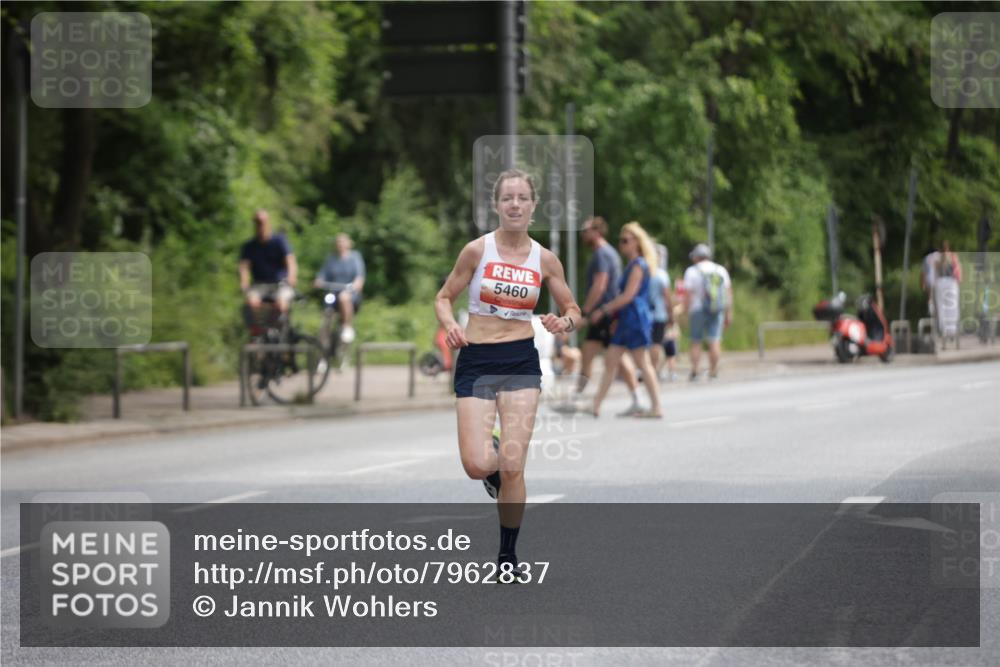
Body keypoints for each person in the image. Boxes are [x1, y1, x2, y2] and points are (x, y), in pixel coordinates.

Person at [435, 169, 581, 580]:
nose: (514, 204)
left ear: (533, 206)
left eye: (522, 198)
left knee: (514, 466)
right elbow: (444, 297)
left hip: (520, 360)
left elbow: (574, 310)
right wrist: (450, 324)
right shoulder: (476, 252)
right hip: (477, 359)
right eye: (507, 198)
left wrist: (563, 324)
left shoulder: (545, 259)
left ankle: (507, 559)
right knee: (477, 464)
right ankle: (496, 466)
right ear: (496, 206)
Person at [590, 222, 663, 418]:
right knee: (611, 361)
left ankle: (657, 406)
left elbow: (628, 296)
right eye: (620, 241)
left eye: (625, 240)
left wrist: (603, 310)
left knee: (643, 363)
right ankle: (596, 405)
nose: (622, 244)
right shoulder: (632, 265)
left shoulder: (639, 264)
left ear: (637, 243)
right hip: (626, 319)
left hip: (635, 319)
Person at [575, 216, 642, 414]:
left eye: (586, 231)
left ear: (596, 232)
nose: (583, 235)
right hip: (608, 313)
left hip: (604, 313)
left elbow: (600, 284)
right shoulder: (608, 253)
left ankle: (578, 397)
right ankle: (635, 398)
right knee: (608, 355)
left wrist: (586, 311)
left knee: (609, 356)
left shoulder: (601, 254)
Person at [683, 243, 732, 381]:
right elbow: (728, 293)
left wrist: (685, 311)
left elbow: (688, 294)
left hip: (697, 309)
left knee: (695, 340)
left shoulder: (691, 271)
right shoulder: (720, 270)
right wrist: (728, 313)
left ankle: (695, 371)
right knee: (715, 340)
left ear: (696, 257)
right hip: (717, 309)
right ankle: (713, 371)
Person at [239, 209, 297, 321]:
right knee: (251, 304)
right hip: (259, 285)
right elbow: (244, 266)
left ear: (268, 223)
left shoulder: (279, 241)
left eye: (262, 222)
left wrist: (291, 277)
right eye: (257, 223)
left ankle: (279, 329)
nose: (260, 226)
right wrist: (244, 282)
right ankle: (257, 334)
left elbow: (290, 261)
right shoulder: (249, 246)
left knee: (281, 304)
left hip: (280, 284)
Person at [315, 233, 366, 343]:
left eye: (342, 242)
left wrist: (357, 284)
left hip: (350, 293)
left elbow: (359, 276)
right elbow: (322, 274)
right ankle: (323, 345)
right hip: (333, 293)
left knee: (344, 297)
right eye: (338, 242)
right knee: (326, 315)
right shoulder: (331, 259)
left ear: (349, 243)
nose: (340, 244)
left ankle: (347, 326)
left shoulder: (355, 257)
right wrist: (318, 280)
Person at [648, 243, 676, 381]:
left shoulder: (643, 271)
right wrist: (671, 316)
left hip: (644, 314)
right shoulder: (661, 275)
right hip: (659, 314)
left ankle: (647, 370)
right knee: (656, 344)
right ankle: (652, 370)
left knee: (646, 344)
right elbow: (667, 297)